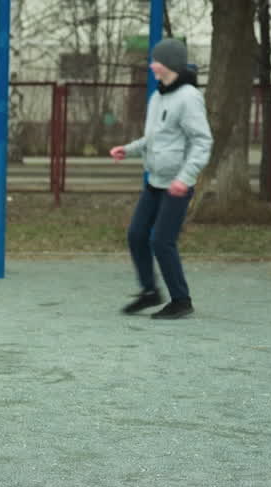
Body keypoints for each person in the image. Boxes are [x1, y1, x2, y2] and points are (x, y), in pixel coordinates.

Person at [109, 37, 212, 319]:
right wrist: (128, 150)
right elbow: (154, 138)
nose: (152, 65)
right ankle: (149, 291)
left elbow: (202, 141)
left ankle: (181, 300)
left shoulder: (189, 97)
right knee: (136, 235)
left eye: (156, 61)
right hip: (155, 181)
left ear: (170, 64)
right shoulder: (158, 97)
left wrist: (185, 178)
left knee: (161, 241)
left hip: (177, 185)